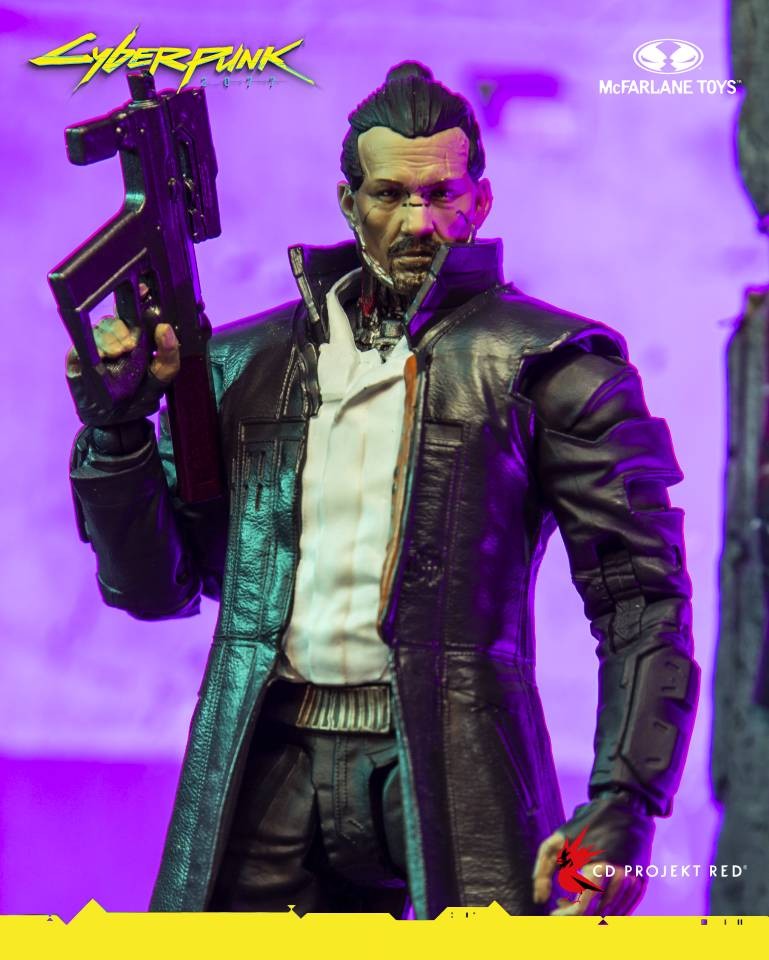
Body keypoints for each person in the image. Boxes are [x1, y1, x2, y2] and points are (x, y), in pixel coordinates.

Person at [65, 61, 699, 919]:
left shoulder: (551, 366)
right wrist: (117, 430)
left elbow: (639, 599)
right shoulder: (246, 365)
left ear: (479, 202)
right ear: (348, 202)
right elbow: (157, 588)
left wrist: (625, 800)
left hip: (455, 753)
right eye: (390, 195)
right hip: (268, 755)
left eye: (440, 195)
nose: (416, 222)